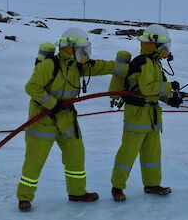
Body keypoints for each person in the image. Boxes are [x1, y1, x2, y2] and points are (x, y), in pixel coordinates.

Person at [17, 27, 129, 211]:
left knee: (76, 155)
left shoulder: (78, 66)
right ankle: (24, 197)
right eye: (82, 50)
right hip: (43, 120)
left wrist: (127, 68)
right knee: (35, 160)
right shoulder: (49, 65)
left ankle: (77, 192)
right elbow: (32, 87)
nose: (85, 54)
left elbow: (103, 66)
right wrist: (53, 104)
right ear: (70, 48)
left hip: (66, 119)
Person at [110, 24, 182, 202]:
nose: (166, 50)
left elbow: (157, 91)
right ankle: (117, 187)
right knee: (128, 153)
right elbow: (147, 88)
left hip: (152, 116)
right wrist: (169, 86)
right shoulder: (142, 62)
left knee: (153, 153)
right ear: (155, 45)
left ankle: (152, 184)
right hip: (137, 115)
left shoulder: (155, 63)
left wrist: (170, 98)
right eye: (164, 46)